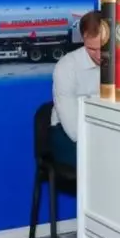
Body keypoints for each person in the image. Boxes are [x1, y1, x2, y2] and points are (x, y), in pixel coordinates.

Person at [50, 10, 101, 167]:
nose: (99, 55)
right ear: (83, 39)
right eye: (92, 49)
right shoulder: (66, 67)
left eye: (104, 47)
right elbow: (73, 130)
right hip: (68, 133)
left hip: (104, 129)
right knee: (104, 162)